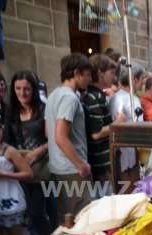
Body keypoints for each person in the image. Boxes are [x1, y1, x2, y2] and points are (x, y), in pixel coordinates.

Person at [5, 70, 53, 235]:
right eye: (18, 88)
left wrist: (36, 152)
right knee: (32, 211)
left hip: (42, 166)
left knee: (37, 211)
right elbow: (6, 140)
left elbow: (53, 140)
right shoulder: (11, 111)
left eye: (26, 88)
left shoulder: (43, 109)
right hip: (20, 167)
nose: (22, 93)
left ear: (33, 89)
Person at [45, 53, 92, 225]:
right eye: (88, 74)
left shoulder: (53, 96)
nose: (89, 79)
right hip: (72, 169)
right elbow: (59, 136)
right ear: (77, 73)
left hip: (59, 167)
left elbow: (48, 132)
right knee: (82, 219)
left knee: (65, 219)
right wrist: (81, 165)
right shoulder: (69, 98)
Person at [81, 54, 117, 188]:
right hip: (101, 164)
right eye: (111, 73)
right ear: (100, 73)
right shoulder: (93, 97)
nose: (114, 77)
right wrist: (118, 122)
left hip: (102, 162)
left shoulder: (96, 94)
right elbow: (96, 133)